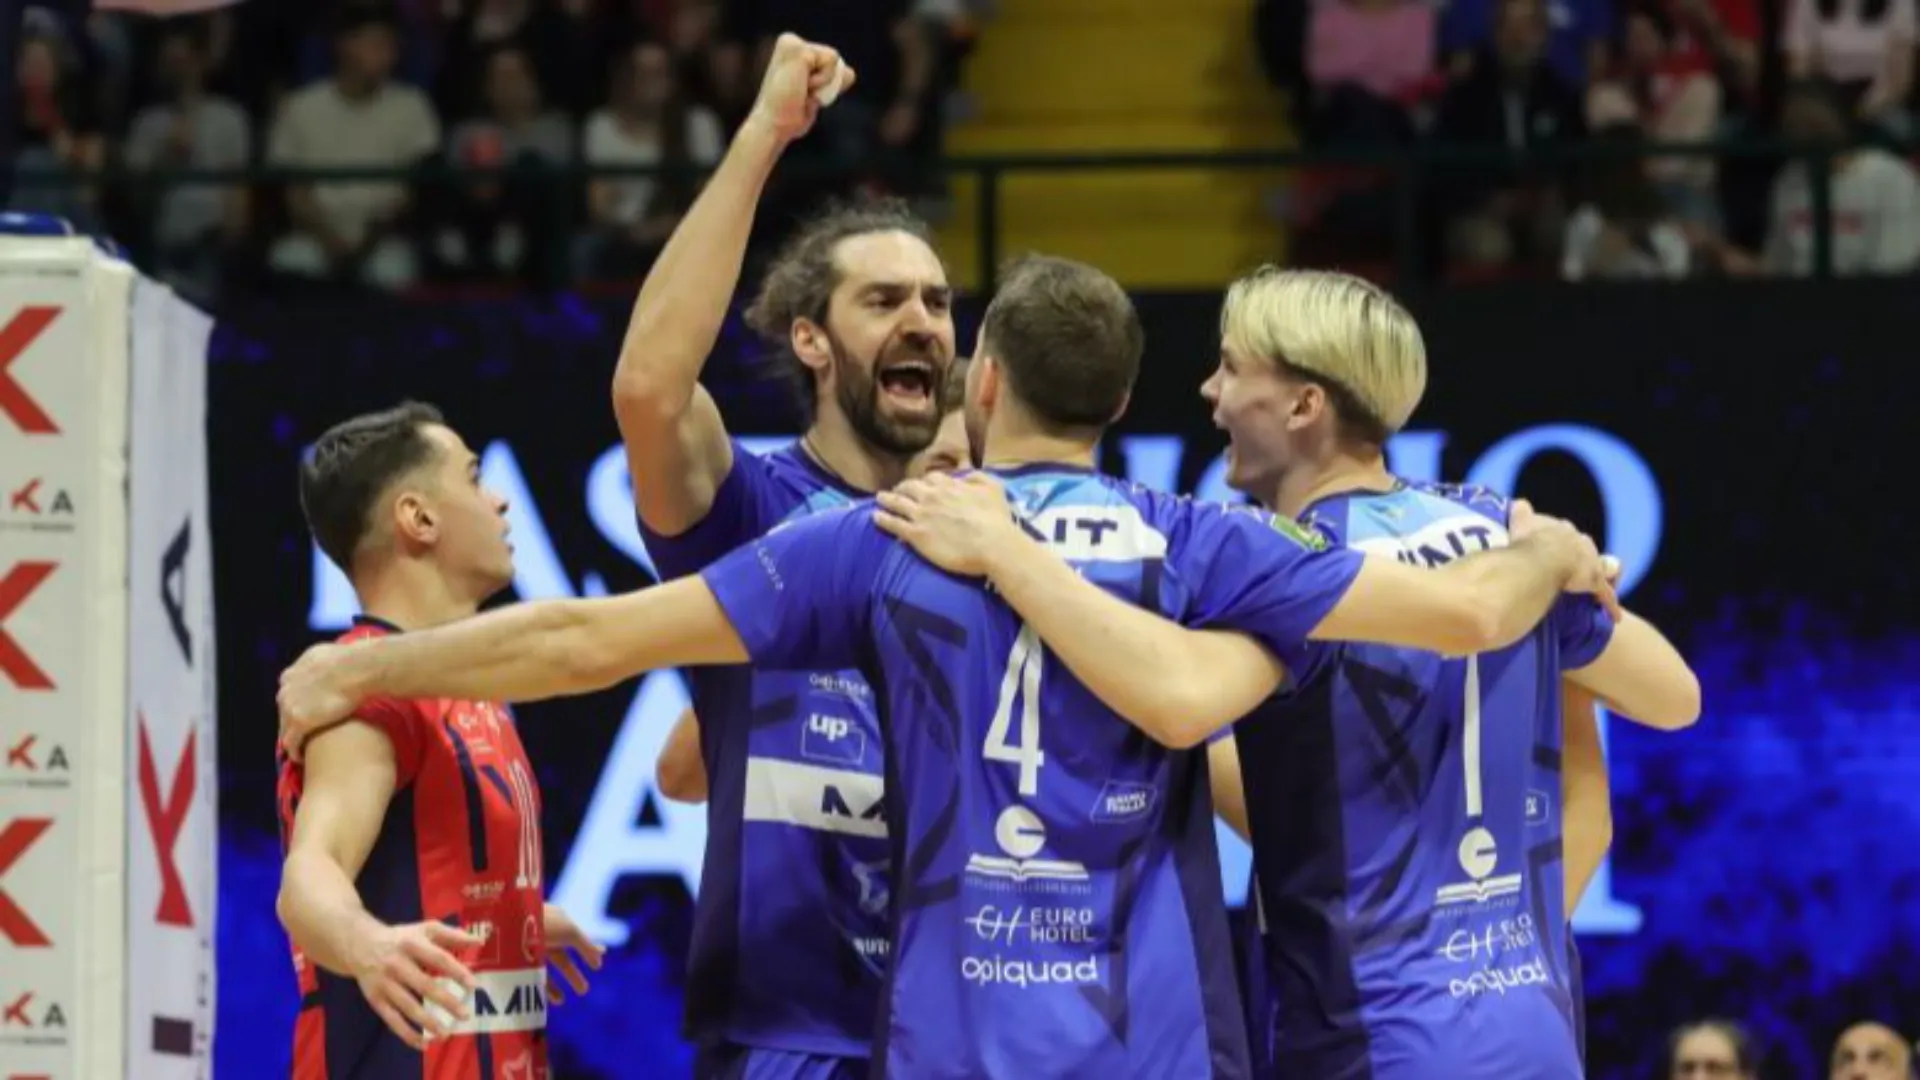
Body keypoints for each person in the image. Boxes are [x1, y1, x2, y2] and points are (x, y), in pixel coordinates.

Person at [276, 255, 1621, 1078]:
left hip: (958, 1039)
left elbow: (583, 640)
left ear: (982, 385)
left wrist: (364, 673)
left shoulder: (882, 539)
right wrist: (1548, 553)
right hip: (1158, 1043)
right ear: (1124, 401)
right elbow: (1465, 620)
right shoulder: (1205, 540)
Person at [872, 267, 1699, 1080]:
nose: (1210, 392)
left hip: (1373, 1036)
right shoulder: (1497, 534)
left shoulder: (1287, 573)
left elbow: (1182, 705)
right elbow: (1673, 697)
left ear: (1304, 406)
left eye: (1232, 368)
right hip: (1535, 1026)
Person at [607, 29, 956, 1078]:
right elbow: (649, 389)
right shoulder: (753, 508)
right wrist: (764, 135)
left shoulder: (983, 536)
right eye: (884, 301)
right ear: (811, 340)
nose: (923, 322)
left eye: (938, 302)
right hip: (790, 1033)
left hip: (958, 1030)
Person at [276, 402, 604, 1077]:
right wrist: (366, 944)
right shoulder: (360, 691)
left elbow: (423, 869)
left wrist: (513, 919)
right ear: (418, 518)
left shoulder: (465, 689)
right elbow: (309, 873)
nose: (500, 501)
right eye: (475, 478)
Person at [656, 360, 972, 806]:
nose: (968, 481)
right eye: (945, 463)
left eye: (984, 466)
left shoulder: (1019, 612)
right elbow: (679, 775)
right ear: (902, 478)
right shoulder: (833, 587)